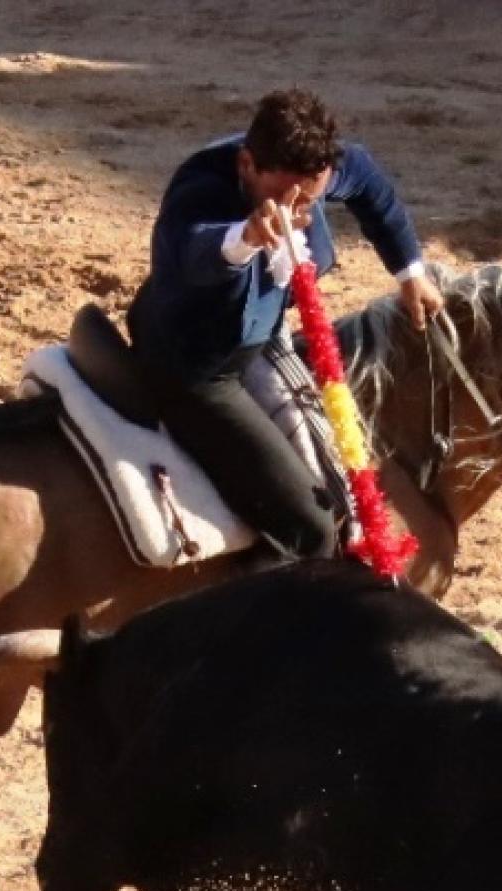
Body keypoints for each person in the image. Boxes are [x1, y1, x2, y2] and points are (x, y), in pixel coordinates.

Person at [126, 88, 441, 560]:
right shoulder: (199, 187)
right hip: (195, 368)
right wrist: (246, 236)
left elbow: (371, 187)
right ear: (247, 165)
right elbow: (193, 250)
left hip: (261, 342)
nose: (296, 210)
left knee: (344, 494)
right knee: (310, 527)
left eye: (309, 198)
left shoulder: (315, 169)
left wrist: (410, 273)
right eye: (280, 196)